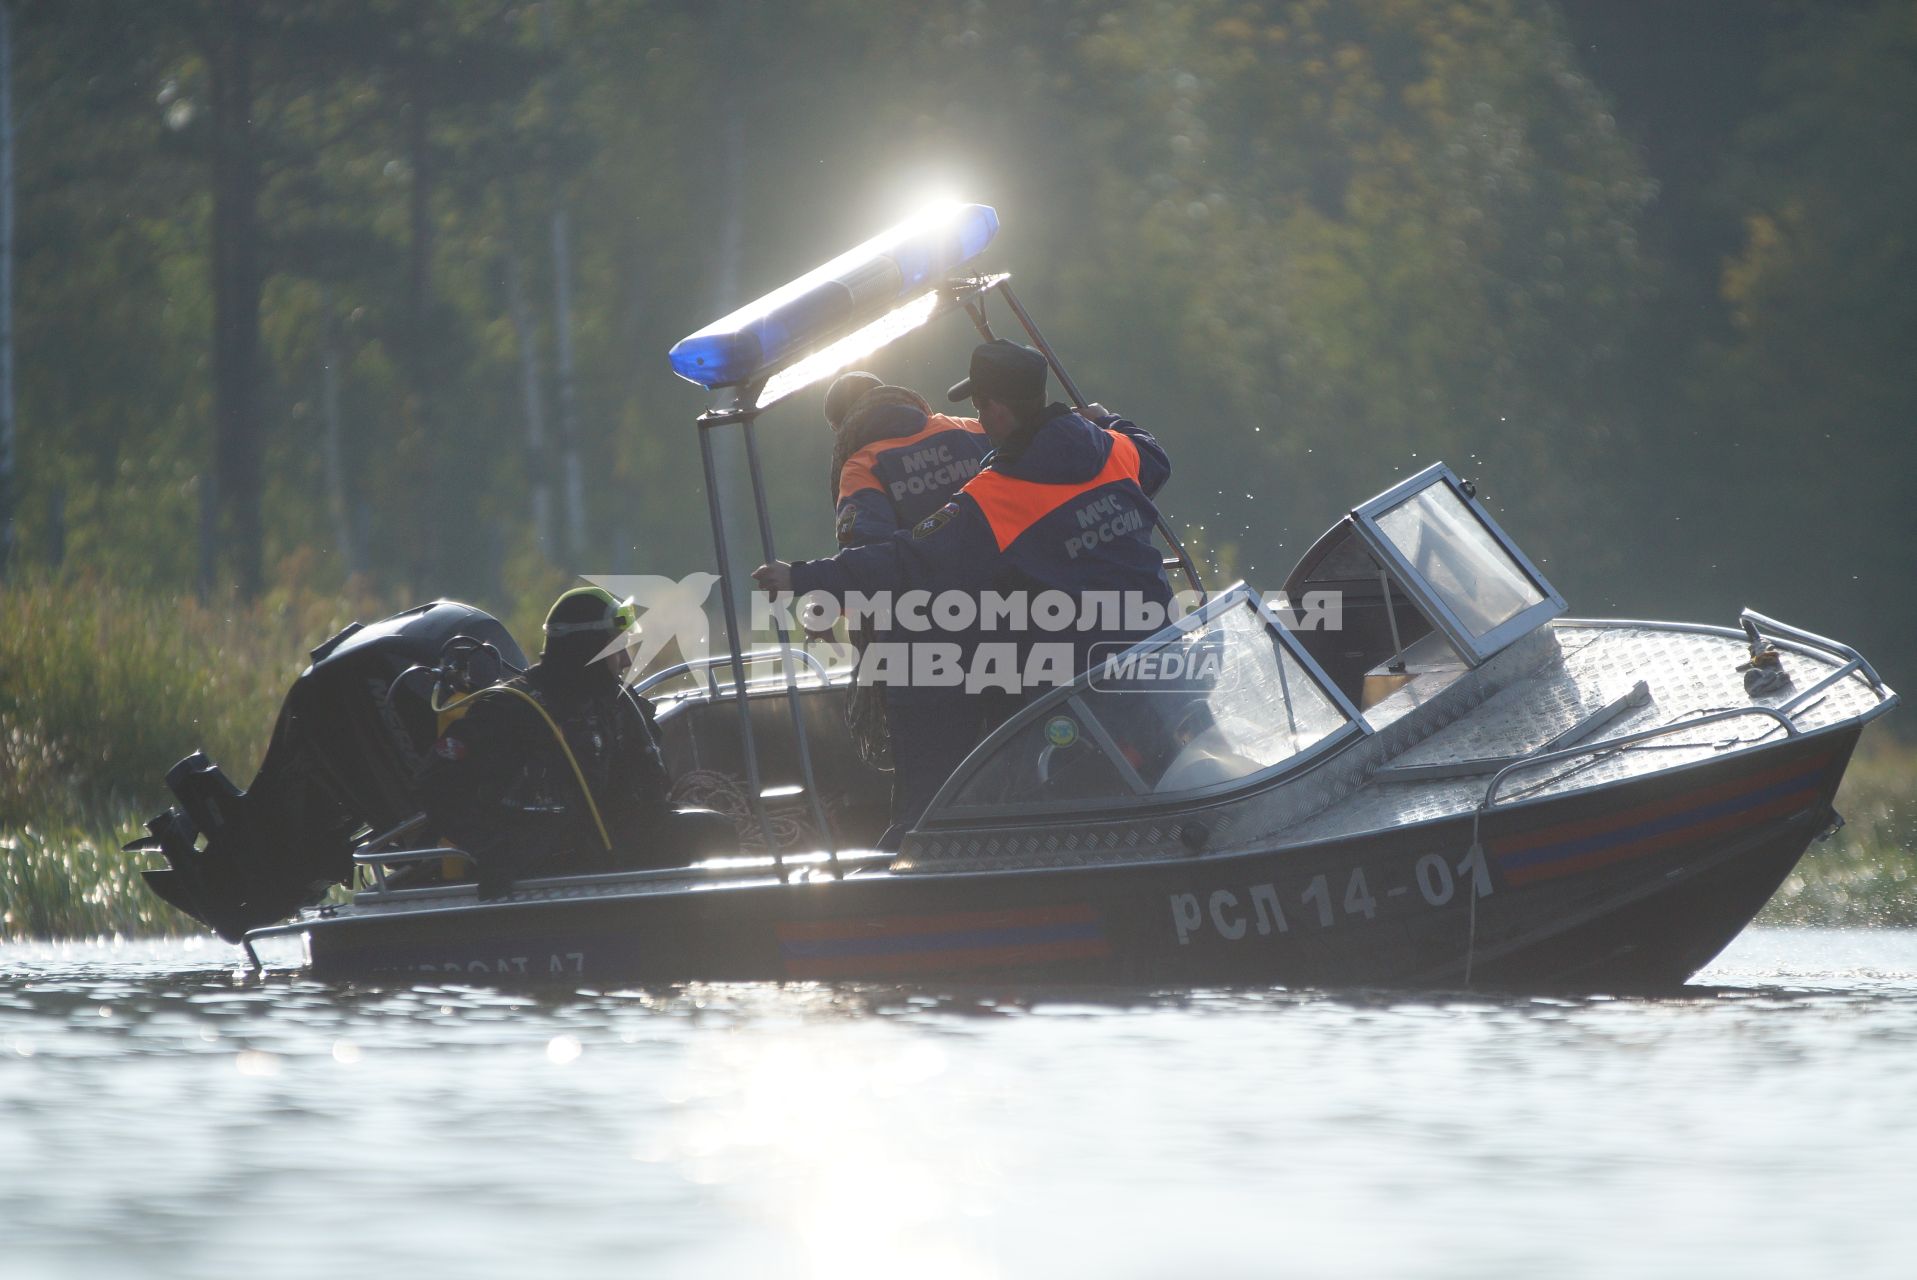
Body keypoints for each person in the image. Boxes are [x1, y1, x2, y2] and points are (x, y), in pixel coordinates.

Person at [755, 340, 1173, 845]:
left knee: (932, 801)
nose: (977, 413)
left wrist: (806, 581)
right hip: (1140, 651)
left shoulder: (986, 491)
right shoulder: (1108, 448)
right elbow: (1155, 458)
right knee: (1149, 764)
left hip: (981, 664)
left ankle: (922, 871)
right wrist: (1110, 419)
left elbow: (898, 560)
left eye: (980, 403)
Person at [418, 585, 725, 896]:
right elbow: (436, 783)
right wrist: (491, 850)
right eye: (618, 648)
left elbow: (650, 787)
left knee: (710, 830)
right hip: (542, 865)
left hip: (609, 852)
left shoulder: (617, 701)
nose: (627, 661)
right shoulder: (510, 708)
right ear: (587, 648)